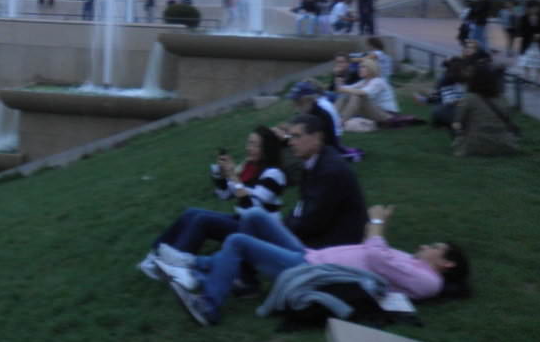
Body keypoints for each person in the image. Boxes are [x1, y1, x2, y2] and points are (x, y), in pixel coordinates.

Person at [165, 204, 469, 326]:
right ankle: (205, 270)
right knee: (255, 216)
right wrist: (377, 226)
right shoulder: (413, 263)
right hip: (311, 255)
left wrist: (377, 224)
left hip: (310, 271)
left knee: (237, 241)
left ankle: (208, 303)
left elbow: (376, 255)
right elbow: (372, 245)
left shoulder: (429, 282)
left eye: (434, 248)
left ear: (447, 263)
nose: (425, 247)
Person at [137, 127, 286, 278]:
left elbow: (252, 208)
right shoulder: (250, 167)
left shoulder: (274, 174)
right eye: (249, 143)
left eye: (255, 145)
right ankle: (156, 254)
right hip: (243, 221)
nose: (249, 148)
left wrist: (233, 176)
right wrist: (219, 174)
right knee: (191, 213)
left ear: (267, 148)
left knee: (203, 220)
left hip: (261, 231)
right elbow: (224, 195)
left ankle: (174, 265)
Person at [274, 113, 366, 249]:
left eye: (297, 136)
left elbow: (312, 222)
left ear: (317, 138)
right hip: (321, 237)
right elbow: (302, 208)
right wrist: (283, 226)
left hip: (333, 247)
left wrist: (281, 232)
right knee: (257, 221)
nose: (291, 142)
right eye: (291, 137)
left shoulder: (329, 172)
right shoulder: (316, 160)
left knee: (252, 233)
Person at [453, 62, 520, 156]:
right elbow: (509, 119)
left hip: (475, 145)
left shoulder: (469, 98)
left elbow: (458, 123)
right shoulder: (502, 99)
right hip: (504, 144)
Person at [334, 56, 400, 124]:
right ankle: (333, 117)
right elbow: (341, 89)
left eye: (363, 67)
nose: (359, 69)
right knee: (345, 95)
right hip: (373, 111)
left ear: (371, 68)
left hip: (387, 115)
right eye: (359, 67)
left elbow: (363, 93)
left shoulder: (378, 81)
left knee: (357, 96)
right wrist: (338, 75)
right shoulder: (363, 82)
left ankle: (340, 122)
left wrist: (343, 89)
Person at [517, 0, 540, 83]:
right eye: (532, 8)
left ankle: (538, 79)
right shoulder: (524, 18)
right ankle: (527, 77)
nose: (535, 10)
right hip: (527, 44)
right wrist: (531, 35)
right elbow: (521, 31)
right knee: (525, 61)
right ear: (528, 8)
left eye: (536, 8)